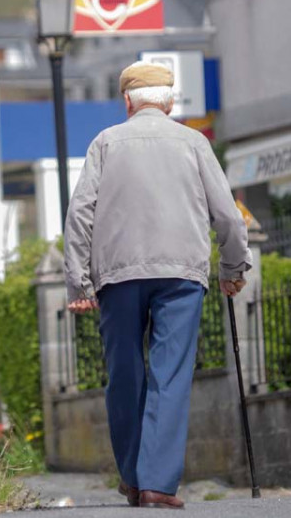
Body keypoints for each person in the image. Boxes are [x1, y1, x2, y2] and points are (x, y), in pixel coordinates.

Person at [63, 61, 252, 510]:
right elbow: (226, 213)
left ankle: (132, 478)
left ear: (127, 101)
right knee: (170, 376)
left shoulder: (105, 143)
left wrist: (79, 283)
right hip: (181, 275)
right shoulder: (194, 144)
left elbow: (80, 214)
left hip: (117, 275)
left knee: (125, 374)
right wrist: (232, 267)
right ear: (170, 103)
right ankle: (157, 484)